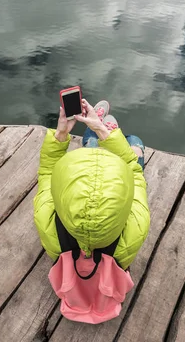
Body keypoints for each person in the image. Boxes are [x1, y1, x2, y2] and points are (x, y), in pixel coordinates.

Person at [33, 98, 150, 324]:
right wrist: (103, 131)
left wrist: (60, 135)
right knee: (134, 142)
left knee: (92, 150)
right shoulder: (135, 229)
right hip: (112, 259)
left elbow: (47, 174)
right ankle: (102, 134)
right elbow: (135, 176)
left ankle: (92, 144)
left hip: (70, 247)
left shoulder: (50, 227)